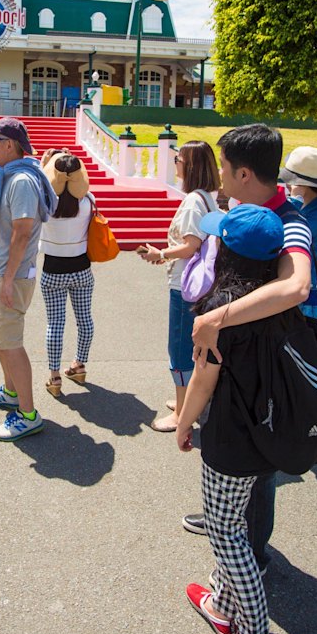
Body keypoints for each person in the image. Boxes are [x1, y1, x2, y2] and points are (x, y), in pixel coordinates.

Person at [185, 124, 311, 574]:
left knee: (259, 465)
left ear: (242, 173)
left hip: (269, 368)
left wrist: (216, 317)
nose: (218, 175)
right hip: (238, 356)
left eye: (223, 167)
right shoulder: (245, 205)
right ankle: (227, 522)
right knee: (235, 456)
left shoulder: (290, 223)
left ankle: (250, 558)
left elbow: (296, 285)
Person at [177, 204, 285, 634]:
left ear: (229, 254)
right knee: (236, 519)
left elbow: (203, 381)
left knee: (227, 534)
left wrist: (183, 426)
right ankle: (222, 603)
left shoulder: (220, 310)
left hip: (230, 437)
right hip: (268, 430)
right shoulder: (279, 298)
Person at [0, 117, 58, 442]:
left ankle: (27, 414)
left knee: (11, 343)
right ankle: (11, 391)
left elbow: (23, 233)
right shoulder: (4, 175)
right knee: (2, 338)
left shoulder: (21, 180)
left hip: (10, 274)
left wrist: (8, 279)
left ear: (9, 145)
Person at [138, 140, 220, 432]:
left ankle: (182, 412)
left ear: (190, 166)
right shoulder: (209, 199)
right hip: (201, 285)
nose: (175, 166)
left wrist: (160, 253)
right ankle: (190, 401)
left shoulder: (192, 202)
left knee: (180, 348)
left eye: (178, 161)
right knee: (195, 348)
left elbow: (189, 246)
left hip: (185, 287)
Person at [39, 150, 94, 396]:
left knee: (55, 324)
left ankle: (54, 376)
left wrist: (45, 166)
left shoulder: (44, 202)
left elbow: (42, 185)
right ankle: (79, 365)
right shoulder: (88, 201)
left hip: (53, 270)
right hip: (81, 268)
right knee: (85, 320)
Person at [280, 146, 317, 318]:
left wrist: (294, 201)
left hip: (305, 288)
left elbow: (288, 229)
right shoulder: (307, 203)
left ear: (303, 184)